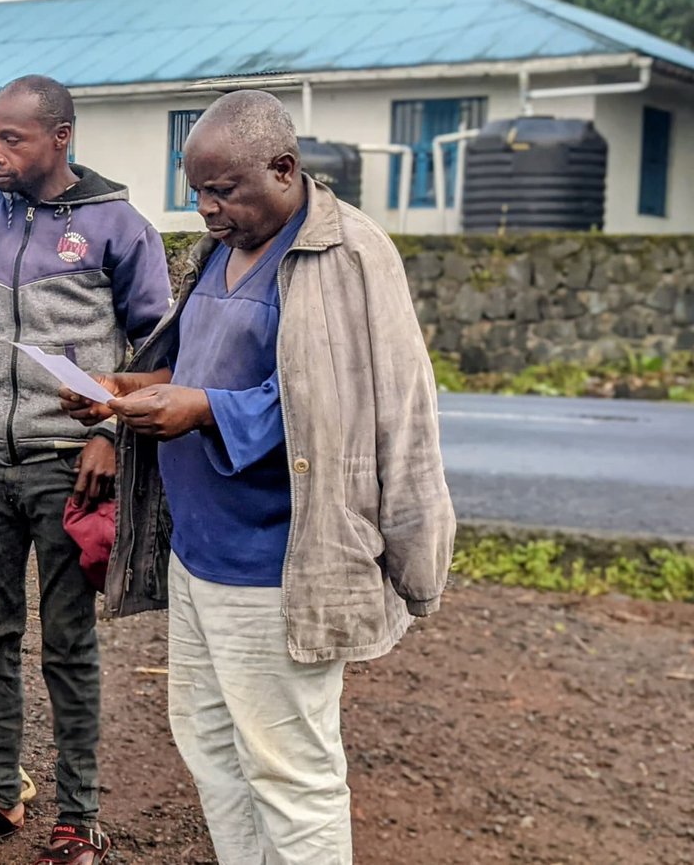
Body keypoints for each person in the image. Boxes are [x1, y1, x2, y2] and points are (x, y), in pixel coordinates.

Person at [65, 90, 455, 865]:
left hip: (275, 563)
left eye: (222, 190)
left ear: (284, 168)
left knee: (290, 768)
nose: (206, 208)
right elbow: (205, 367)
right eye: (197, 191)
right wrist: (128, 390)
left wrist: (205, 410)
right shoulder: (221, 250)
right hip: (199, 555)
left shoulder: (345, 254)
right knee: (211, 742)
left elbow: (339, 398)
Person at [0, 75, 171, 865]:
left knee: (69, 646)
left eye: (10, 140)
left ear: (60, 138)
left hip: (73, 469)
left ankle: (79, 817)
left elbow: (159, 349)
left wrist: (114, 437)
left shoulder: (117, 226)